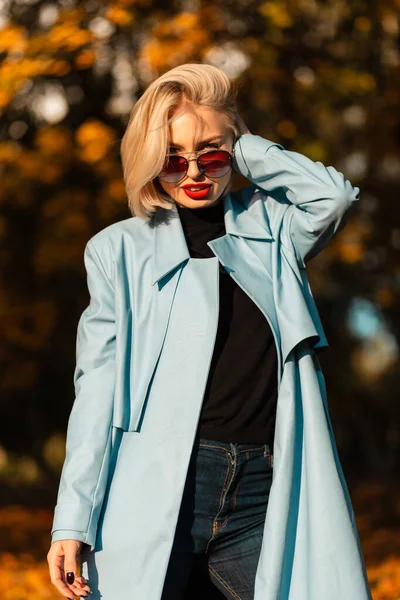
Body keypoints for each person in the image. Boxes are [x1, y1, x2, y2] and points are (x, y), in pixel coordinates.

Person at [47, 63, 372, 600]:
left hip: (264, 489)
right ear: (150, 162)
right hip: (157, 490)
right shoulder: (117, 251)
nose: (193, 171)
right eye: (172, 158)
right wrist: (71, 521)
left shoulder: (273, 229)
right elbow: (97, 392)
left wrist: (244, 147)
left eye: (212, 154)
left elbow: (332, 198)